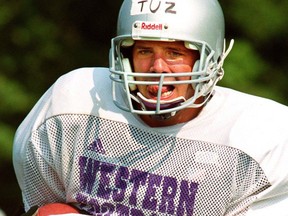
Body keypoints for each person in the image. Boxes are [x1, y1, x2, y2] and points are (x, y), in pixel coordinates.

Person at [13, 0, 288, 215]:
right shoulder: (72, 104)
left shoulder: (260, 138)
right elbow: (42, 206)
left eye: (174, 53)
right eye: (145, 51)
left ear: (209, 60)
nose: (157, 68)